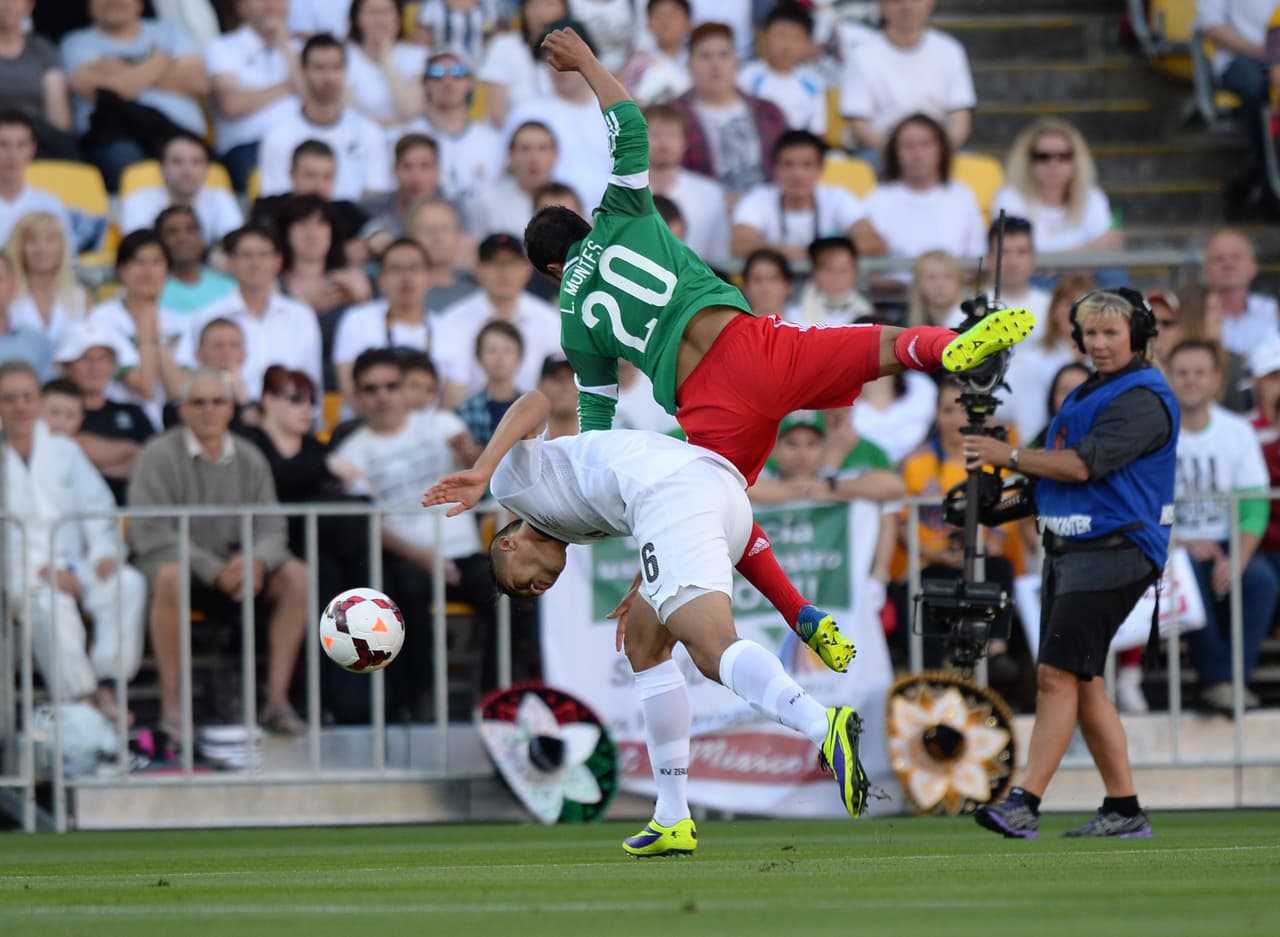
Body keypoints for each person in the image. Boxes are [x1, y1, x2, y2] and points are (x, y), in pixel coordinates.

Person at [522, 26, 1035, 671]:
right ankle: (950, 347)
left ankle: (801, 615)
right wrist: (587, 62)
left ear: (547, 271)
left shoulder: (571, 321)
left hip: (705, 406)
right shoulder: (621, 213)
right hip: (746, 345)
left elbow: (595, 425)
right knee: (879, 344)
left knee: (724, 516)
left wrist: (627, 529)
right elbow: (630, 123)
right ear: (583, 224)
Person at [422, 389, 873, 854]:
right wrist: (649, 578)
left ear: (508, 545)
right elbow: (636, 499)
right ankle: (672, 816)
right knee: (644, 646)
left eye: (518, 583)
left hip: (679, 493)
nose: (533, 589)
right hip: (717, 492)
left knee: (711, 647)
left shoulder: (512, 488)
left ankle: (822, 723)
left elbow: (535, 402)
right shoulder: (573, 526)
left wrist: (482, 469)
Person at [967, 289, 1177, 839]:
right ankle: (1124, 808)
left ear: (1138, 335)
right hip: (1077, 551)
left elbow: (1082, 467)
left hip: (1116, 550)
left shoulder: (1143, 397)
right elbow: (1044, 475)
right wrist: (997, 502)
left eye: (1111, 332)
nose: (1099, 343)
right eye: (1091, 333)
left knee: (1056, 674)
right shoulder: (1086, 392)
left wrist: (1004, 456)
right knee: (1082, 681)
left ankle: (1025, 801)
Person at [128, 367, 310, 737]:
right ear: (182, 409)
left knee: (296, 576)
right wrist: (213, 569)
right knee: (169, 575)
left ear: (232, 409)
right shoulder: (156, 455)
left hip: (236, 568)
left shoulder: (250, 457)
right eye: (199, 402)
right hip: (179, 569)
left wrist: (256, 561)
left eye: (218, 401)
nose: (208, 410)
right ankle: (172, 706)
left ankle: (277, 701)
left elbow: (272, 526)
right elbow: (151, 532)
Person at [335, 349, 519, 714]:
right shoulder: (351, 453)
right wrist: (422, 557)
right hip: (407, 558)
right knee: (403, 598)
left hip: (462, 550)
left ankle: (496, 701)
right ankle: (421, 700)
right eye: (371, 389)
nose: (383, 395)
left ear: (405, 389)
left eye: (391, 385)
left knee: (506, 591)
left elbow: (483, 473)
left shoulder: (443, 424)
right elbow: (367, 523)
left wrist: (471, 454)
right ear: (356, 397)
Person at [0, 359, 146, 723]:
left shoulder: (64, 451)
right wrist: (40, 570)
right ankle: (82, 697)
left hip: (76, 562)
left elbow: (97, 505)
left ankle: (110, 684)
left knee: (127, 583)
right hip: (20, 573)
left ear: (38, 401)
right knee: (49, 603)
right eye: (9, 398)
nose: (20, 406)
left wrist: (105, 551)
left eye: (27, 397)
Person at [1166, 338, 1276, 713]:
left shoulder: (1236, 432)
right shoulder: (1156, 434)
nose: (1191, 380)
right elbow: (1143, 507)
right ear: (1169, 377)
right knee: (1189, 578)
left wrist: (1238, 559)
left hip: (1228, 541)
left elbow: (1254, 507)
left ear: (1216, 379)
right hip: (1171, 546)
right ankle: (1219, 681)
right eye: (1182, 373)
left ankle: (1231, 680)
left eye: (1200, 372)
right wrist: (1180, 542)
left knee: (1260, 580)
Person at [60, 0, 209, 191]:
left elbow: (199, 83)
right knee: (128, 166)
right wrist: (160, 61)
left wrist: (121, 69)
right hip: (116, 136)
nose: (115, 2)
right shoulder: (76, 42)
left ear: (140, 4)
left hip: (179, 133)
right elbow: (101, 91)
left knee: (190, 161)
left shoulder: (171, 32)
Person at [182, 224, 324, 404]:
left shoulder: (302, 316)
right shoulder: (207, 316)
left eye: (264, 255)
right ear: (230, 262)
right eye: (246, 255)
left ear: (278, 261)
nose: (255, 263)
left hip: (289, 420)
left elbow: (312, 380)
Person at [258, 34, 391, 201]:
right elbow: (277, 202)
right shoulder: (278, 137)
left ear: (345, 71)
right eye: (319, 68)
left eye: (336, 67)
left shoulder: (369, 132)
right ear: (303, 71)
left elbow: (375, 199)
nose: (328, 77)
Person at [434, 232, 560, 406]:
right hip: (471, 422)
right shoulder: (452, 322)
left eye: (513, 263)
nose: (504, 272)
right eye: (495, 263)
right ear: (477, 268)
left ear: (528, 269)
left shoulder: (551, 321)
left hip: (539, 423)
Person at [839, 0, 975, 157]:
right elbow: (858, 125)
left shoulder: (951, 50)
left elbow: (960, 121)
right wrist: (900, 154)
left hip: (937, 148)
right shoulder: (861, 56)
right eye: (897, 1)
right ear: (881, 6)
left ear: (930, 3)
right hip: (882, 150)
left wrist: (936, 153)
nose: (907, 6)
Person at [670, 22, 787, 199]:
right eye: (705, 56)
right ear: (689, 65)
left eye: (723, 55)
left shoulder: (768, 112)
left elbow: (787, 165)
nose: (715, 65)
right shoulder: (673, 116)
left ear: (736, 62)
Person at [87, 229, 188, 429]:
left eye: (156, 263)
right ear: (121, 270)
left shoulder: (179, 321)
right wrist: (146, 324)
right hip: (121, 423)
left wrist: (155, 329)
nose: (148, 271)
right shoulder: (103, 317)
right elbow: (145, 386)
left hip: (169, 424)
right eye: (139, 262)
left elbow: (178, 391)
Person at [730, 129, 882, 259]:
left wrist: (815, 255)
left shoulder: (837, 197)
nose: (798, 174)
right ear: (775, 169)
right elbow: (740, 245)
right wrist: (791, 254)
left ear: (820, 169)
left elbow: (873, 243)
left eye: (807, 165)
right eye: (788, 165)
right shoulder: (758, 198)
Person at [862, 113, 986, 269]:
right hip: (892, 293)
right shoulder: (876, 199)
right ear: (894, 153)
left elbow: (977, 262)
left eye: (926, 144)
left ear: (941, 150)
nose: (918, 154)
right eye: (908, 146)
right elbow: (867, 269)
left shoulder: (962, 195)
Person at [205, 0, 303, 192]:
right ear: (241, 6)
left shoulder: (298, 49)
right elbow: (231, 104)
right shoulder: (222, 47)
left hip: (303, 142)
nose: (270, 5)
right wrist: (288, 85)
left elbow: (318, 101)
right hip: (251, 146)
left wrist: (285, 46)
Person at [54, 319, 151, 504]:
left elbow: (151, 461)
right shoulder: (52, 410)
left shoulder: (133, 412)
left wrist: (87, 465)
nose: (95, 367)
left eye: (102, 359)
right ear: (66, 366)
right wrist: (127, 451)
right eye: (85, 359)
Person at [333, 237, 435, 410]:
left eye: (414, 268)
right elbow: (350, 389)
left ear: (429, 277)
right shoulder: (357, 320)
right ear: (380, 279)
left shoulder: (449, 330)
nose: (406, 277)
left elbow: (451, 399)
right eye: (396, 269)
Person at [993, 119, 1122, 255]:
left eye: (1064, 156)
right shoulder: (1009, 197)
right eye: (1042, 157)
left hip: (1086, 274)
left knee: (1112, 273)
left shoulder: (1092, 196)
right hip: (1034, 276)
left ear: (1077, 160)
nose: (1054, 164)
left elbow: (1105, 250)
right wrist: (1086, 250)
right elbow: (1017, 259)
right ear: (1026, 161)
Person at [404, 48, 504, 223]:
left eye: (458, 73)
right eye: (437, 73)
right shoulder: (410, 135)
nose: (448, 81)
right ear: (425, 83)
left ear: (470, 82)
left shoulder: (492, 140)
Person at [1198, 1, 1276, 216]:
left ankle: (1255, 178)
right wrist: (1265, 53)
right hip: (1241, 57)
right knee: (1256, 87)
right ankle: (1268, 182)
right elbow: (1212, 26)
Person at [1005, 274, 1092, 445]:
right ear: (1054, 311)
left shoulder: (1104, 358)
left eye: (1083, 305)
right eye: (1069, 304)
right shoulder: (1034, 360)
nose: (1075, 312)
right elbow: (1030, 429)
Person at [643, 103, 729, 267]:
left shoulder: (711, 194)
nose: (663, 143)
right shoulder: (618, 190)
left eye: (672, 135)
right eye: (654, 134)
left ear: (685, 143)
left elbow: (719, 257)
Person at [119, 131, 243, 242]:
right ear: (161, 168)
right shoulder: (138, 200)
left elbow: (236, 244)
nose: (187, 171)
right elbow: (137, 250)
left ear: (207, 168)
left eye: (196, 162)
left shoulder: (219, 197)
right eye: (177, 162)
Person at [0, 0, 77, 159]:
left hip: (35, 138)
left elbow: (59, 119)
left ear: (29, 6)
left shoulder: (42, 49)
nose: (7, 5)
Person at [736, 2, 827, 136]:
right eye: (781, 35)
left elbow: (817, 132)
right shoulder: (746, 76)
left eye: (796, 37)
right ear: (765, 36)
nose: (787, 45)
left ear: (807, 45)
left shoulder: (813, 84)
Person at [475, 0, 566, 127]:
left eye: (549, 4)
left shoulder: (575, 51)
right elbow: (497, 114)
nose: (541, 13)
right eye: (533, 6)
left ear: (564, 9)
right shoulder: (503, 46)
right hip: (515, 137)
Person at [4, 209, 88, 342]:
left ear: (63, 246)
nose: (41, 249)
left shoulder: (81, 298)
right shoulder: (6, 297)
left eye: (50, 240)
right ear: (18, 247)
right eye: (32, 241)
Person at [471, 121, 559, 242]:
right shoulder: (488, 203)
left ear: (555, 156)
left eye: (542, 148)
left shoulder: (568, 200)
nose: (534, 158)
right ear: (510, 156)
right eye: (525, 149)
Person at [345, 0, 427, 129]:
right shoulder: (345, 56)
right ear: (357, 19)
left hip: (410, 140)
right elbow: (349, 114)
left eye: (386, 12)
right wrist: (393, 125)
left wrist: (387, 62)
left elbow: (411, 110)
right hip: (362, 137)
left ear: (398, 18)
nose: (380, 20)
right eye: (372, 12)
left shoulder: (417, 55)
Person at [1200, 227, 1280, 357]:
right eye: (1219, 259)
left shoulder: (1274, 311)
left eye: (1236, 257)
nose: (1228, 264)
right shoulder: (1192, 316)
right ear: (1206, 270)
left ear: (1254, 266)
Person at [0, 110, 72, 247]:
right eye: (3, 144)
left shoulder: (50, 205)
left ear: (32, 149)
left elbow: (66, 259)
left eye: (21, 145)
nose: (12, 155)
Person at [360, 133, 442, 252]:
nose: (416, 178)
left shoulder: (455, 212)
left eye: (425, 167)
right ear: (394, 170)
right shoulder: (371, 209)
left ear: (437, 172)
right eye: (407, 167)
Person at [155, 205, 237, 314]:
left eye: (190, 229)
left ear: (202, 237)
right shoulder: (150, 290)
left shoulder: (230, 288)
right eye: (172, 232)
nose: (182, 238)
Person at [455, 319, 524, 446]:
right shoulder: (466, 410)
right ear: (479, 356)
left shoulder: (530, 407)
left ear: (519, 357)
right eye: (492, 351)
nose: (500, 357)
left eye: (507, 351)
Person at [408, 196, 478, 311]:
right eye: (428, 229)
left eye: (445, 229)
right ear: (411, 237)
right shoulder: (396, 290)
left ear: (458, 236)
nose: (437, 238)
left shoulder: (478, 290)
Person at [621, 0, 692, 106]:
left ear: (687, 22)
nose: (666, 22)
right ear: (648, 24)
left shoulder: (699, 59)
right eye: (659, 15)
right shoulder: (638, 63)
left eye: (672, 15)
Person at [793, 235, 872, 327]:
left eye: (843, 270)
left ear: (855, 273)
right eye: (828, 270)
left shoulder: (866, 314)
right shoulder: (794, 317)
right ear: (814, 273)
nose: (836, 278)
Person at [905, 249, 964, 327]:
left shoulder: (976, 325)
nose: (940, 284)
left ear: (959, 282)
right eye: (931, 277)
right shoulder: (902, 327)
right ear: (918, 284)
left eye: (948, 277)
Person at [740, 247, 797, 319]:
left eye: (773, 279)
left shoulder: (806, 325)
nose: (765, 288)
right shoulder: (737, 327)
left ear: (788, 285)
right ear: (745, 287)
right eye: (757, 280)